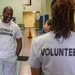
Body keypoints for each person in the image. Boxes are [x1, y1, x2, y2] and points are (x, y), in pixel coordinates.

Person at [28, 0, 75, 75]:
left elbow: (35, 72)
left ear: (53, 15)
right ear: (71, 16)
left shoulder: (38, 42)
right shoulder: (38, 42)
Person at [0, 6, 22, 75]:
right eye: (8, 14)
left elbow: (20, 42)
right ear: (3, 13)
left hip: (10, 58)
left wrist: (16, 56)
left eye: (11, 14)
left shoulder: (15, 27)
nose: (9, 16)